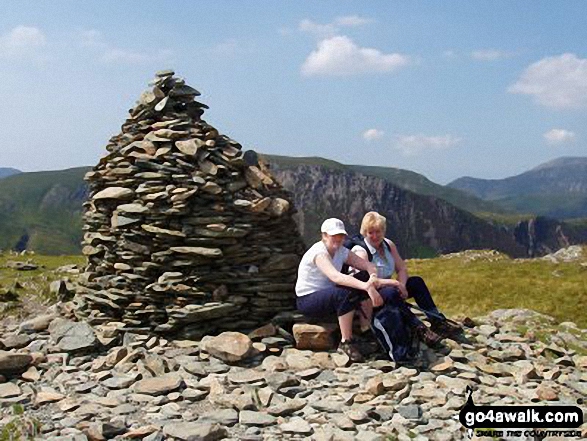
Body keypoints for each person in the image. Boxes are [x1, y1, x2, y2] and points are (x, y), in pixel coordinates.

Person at [351, 211, 462, 345]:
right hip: (371, 296)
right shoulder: (361, 251)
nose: (374, 236)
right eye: (370, 232)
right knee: (391, 292)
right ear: (365, 232)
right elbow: (368, 282)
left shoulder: (388, 245)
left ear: (383, 231)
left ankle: (437, 321)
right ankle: (419, 328)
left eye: (378, 232)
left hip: (390, 288)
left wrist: (402, 284)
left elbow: (402, 268)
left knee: (416, 282)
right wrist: (395, 284)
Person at [295, 218, 383, 363]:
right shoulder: (319, 253)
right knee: (343, 293)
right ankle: (346, 342)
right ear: (324, 236)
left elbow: (368, 265)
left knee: (362, 276)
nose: (338, 239)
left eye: (341, 235)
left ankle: (366, 329)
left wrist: (371, 278)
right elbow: (335, 277)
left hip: (328, 295)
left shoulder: (341, 251)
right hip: (308, 300)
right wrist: (367, 286)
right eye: (333, 235)